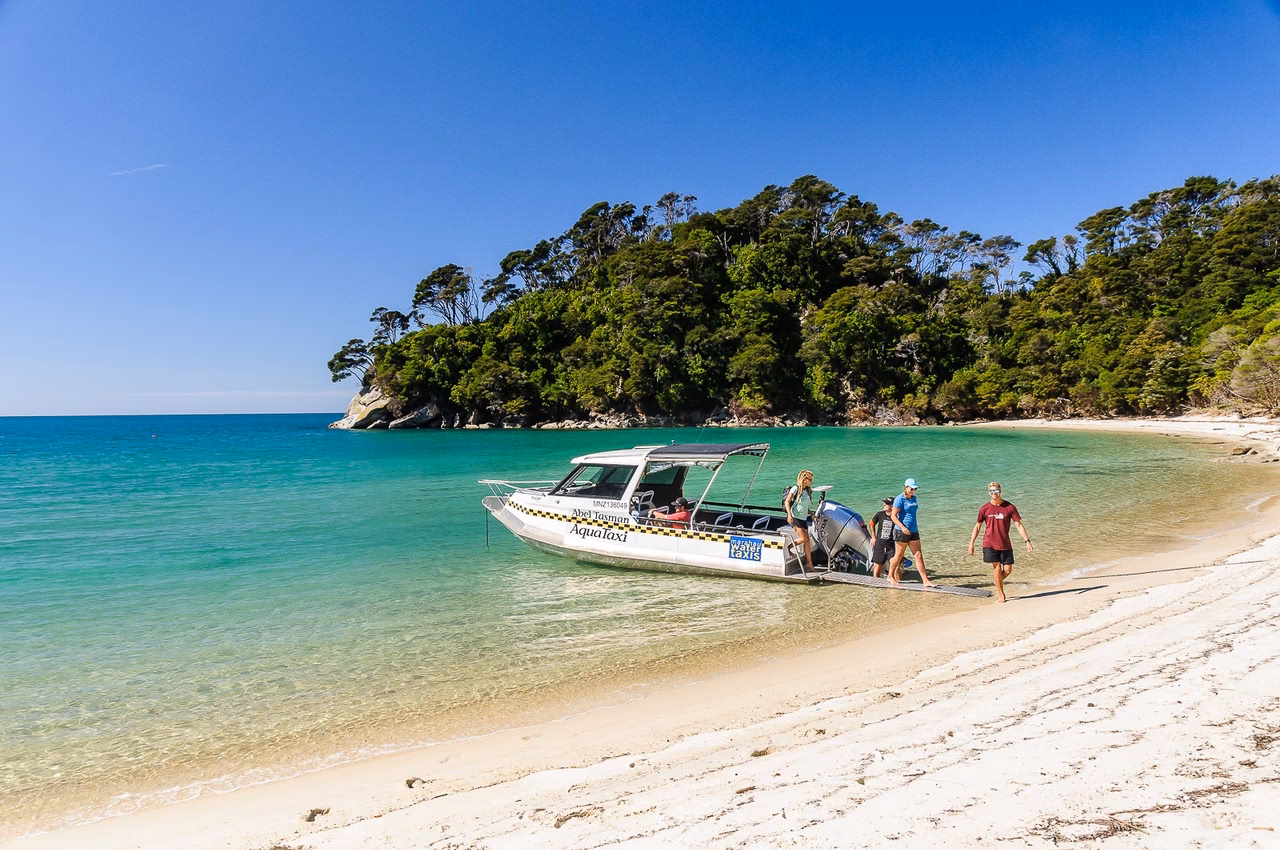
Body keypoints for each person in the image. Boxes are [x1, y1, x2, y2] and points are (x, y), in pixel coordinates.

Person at [967, 481, 1033, 603]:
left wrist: (1027, 541)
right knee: (997, 568)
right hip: (989, 543)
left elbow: (1018, 525)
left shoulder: (1009, 507)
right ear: (989, 493)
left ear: (1000, 491)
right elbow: (977, 526)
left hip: (1005, 543)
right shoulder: (984, 509)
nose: (994, 493)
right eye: (991, 491)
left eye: (996, 491)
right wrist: (971, 543)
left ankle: (997, 580)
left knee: (1008, 570)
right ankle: (1001, 595)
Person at [888, 478, 935, 587]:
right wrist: (903, 527)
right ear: (906, 487)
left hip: (914, 530)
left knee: (918, 555)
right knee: (898, 556)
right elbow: (893, 516)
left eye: (915, 489)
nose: (913, 490)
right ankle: (890, 576)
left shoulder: (914, 498)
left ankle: (925, 581)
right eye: (911, 488)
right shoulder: (900, 499)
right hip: (901, 531)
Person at [783, 469, 816, 572]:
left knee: (807, 540)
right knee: (803, 538)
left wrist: (811, 514)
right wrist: (789, 515)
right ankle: (788, 548)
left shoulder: (806, 490)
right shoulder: (795, 488)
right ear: (804, 479)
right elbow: (787, 501)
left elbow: (804, 505)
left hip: (803, 518)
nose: (811, 482)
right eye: (809, 479)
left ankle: (809, 564)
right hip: (795, 517)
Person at [869, 497, 896, 578]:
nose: (884, 505)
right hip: (880, 544)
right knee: (877, 565)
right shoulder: (880, 514)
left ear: (892, 506)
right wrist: (873, 537)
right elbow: (872, 523)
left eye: (886, 504)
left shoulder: (897, 516)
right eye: (884, 503)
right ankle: (875, 582)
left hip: (892, 545)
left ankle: (897, 583)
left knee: (895, 566)